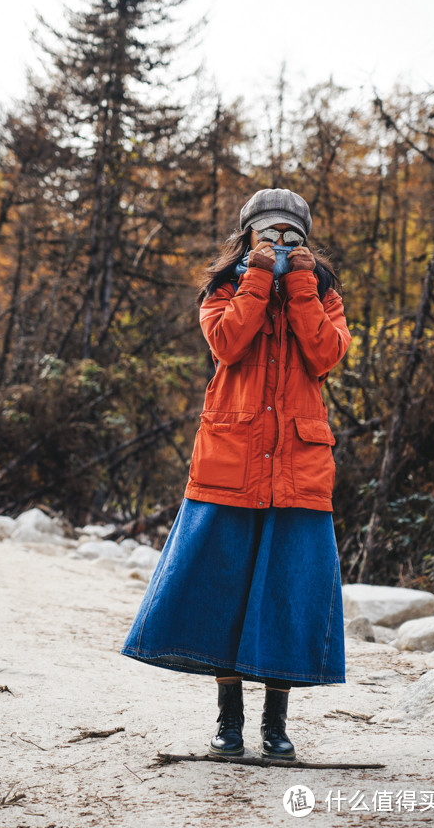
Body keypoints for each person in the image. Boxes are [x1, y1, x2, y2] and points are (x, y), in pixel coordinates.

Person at [120, 187, 352, 760]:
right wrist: (255, 279)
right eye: (268, 234)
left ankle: (276, 727)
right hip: (231, 466)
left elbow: (325, 354)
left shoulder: (323, 295)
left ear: (306, 241)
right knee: (221, 596)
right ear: (246, 237)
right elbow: (228, 342)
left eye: (290, 236)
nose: (278, 243)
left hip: (298, 473)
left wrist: (299, 284)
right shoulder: (222, 291)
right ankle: (230, 725)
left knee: (286, 598)